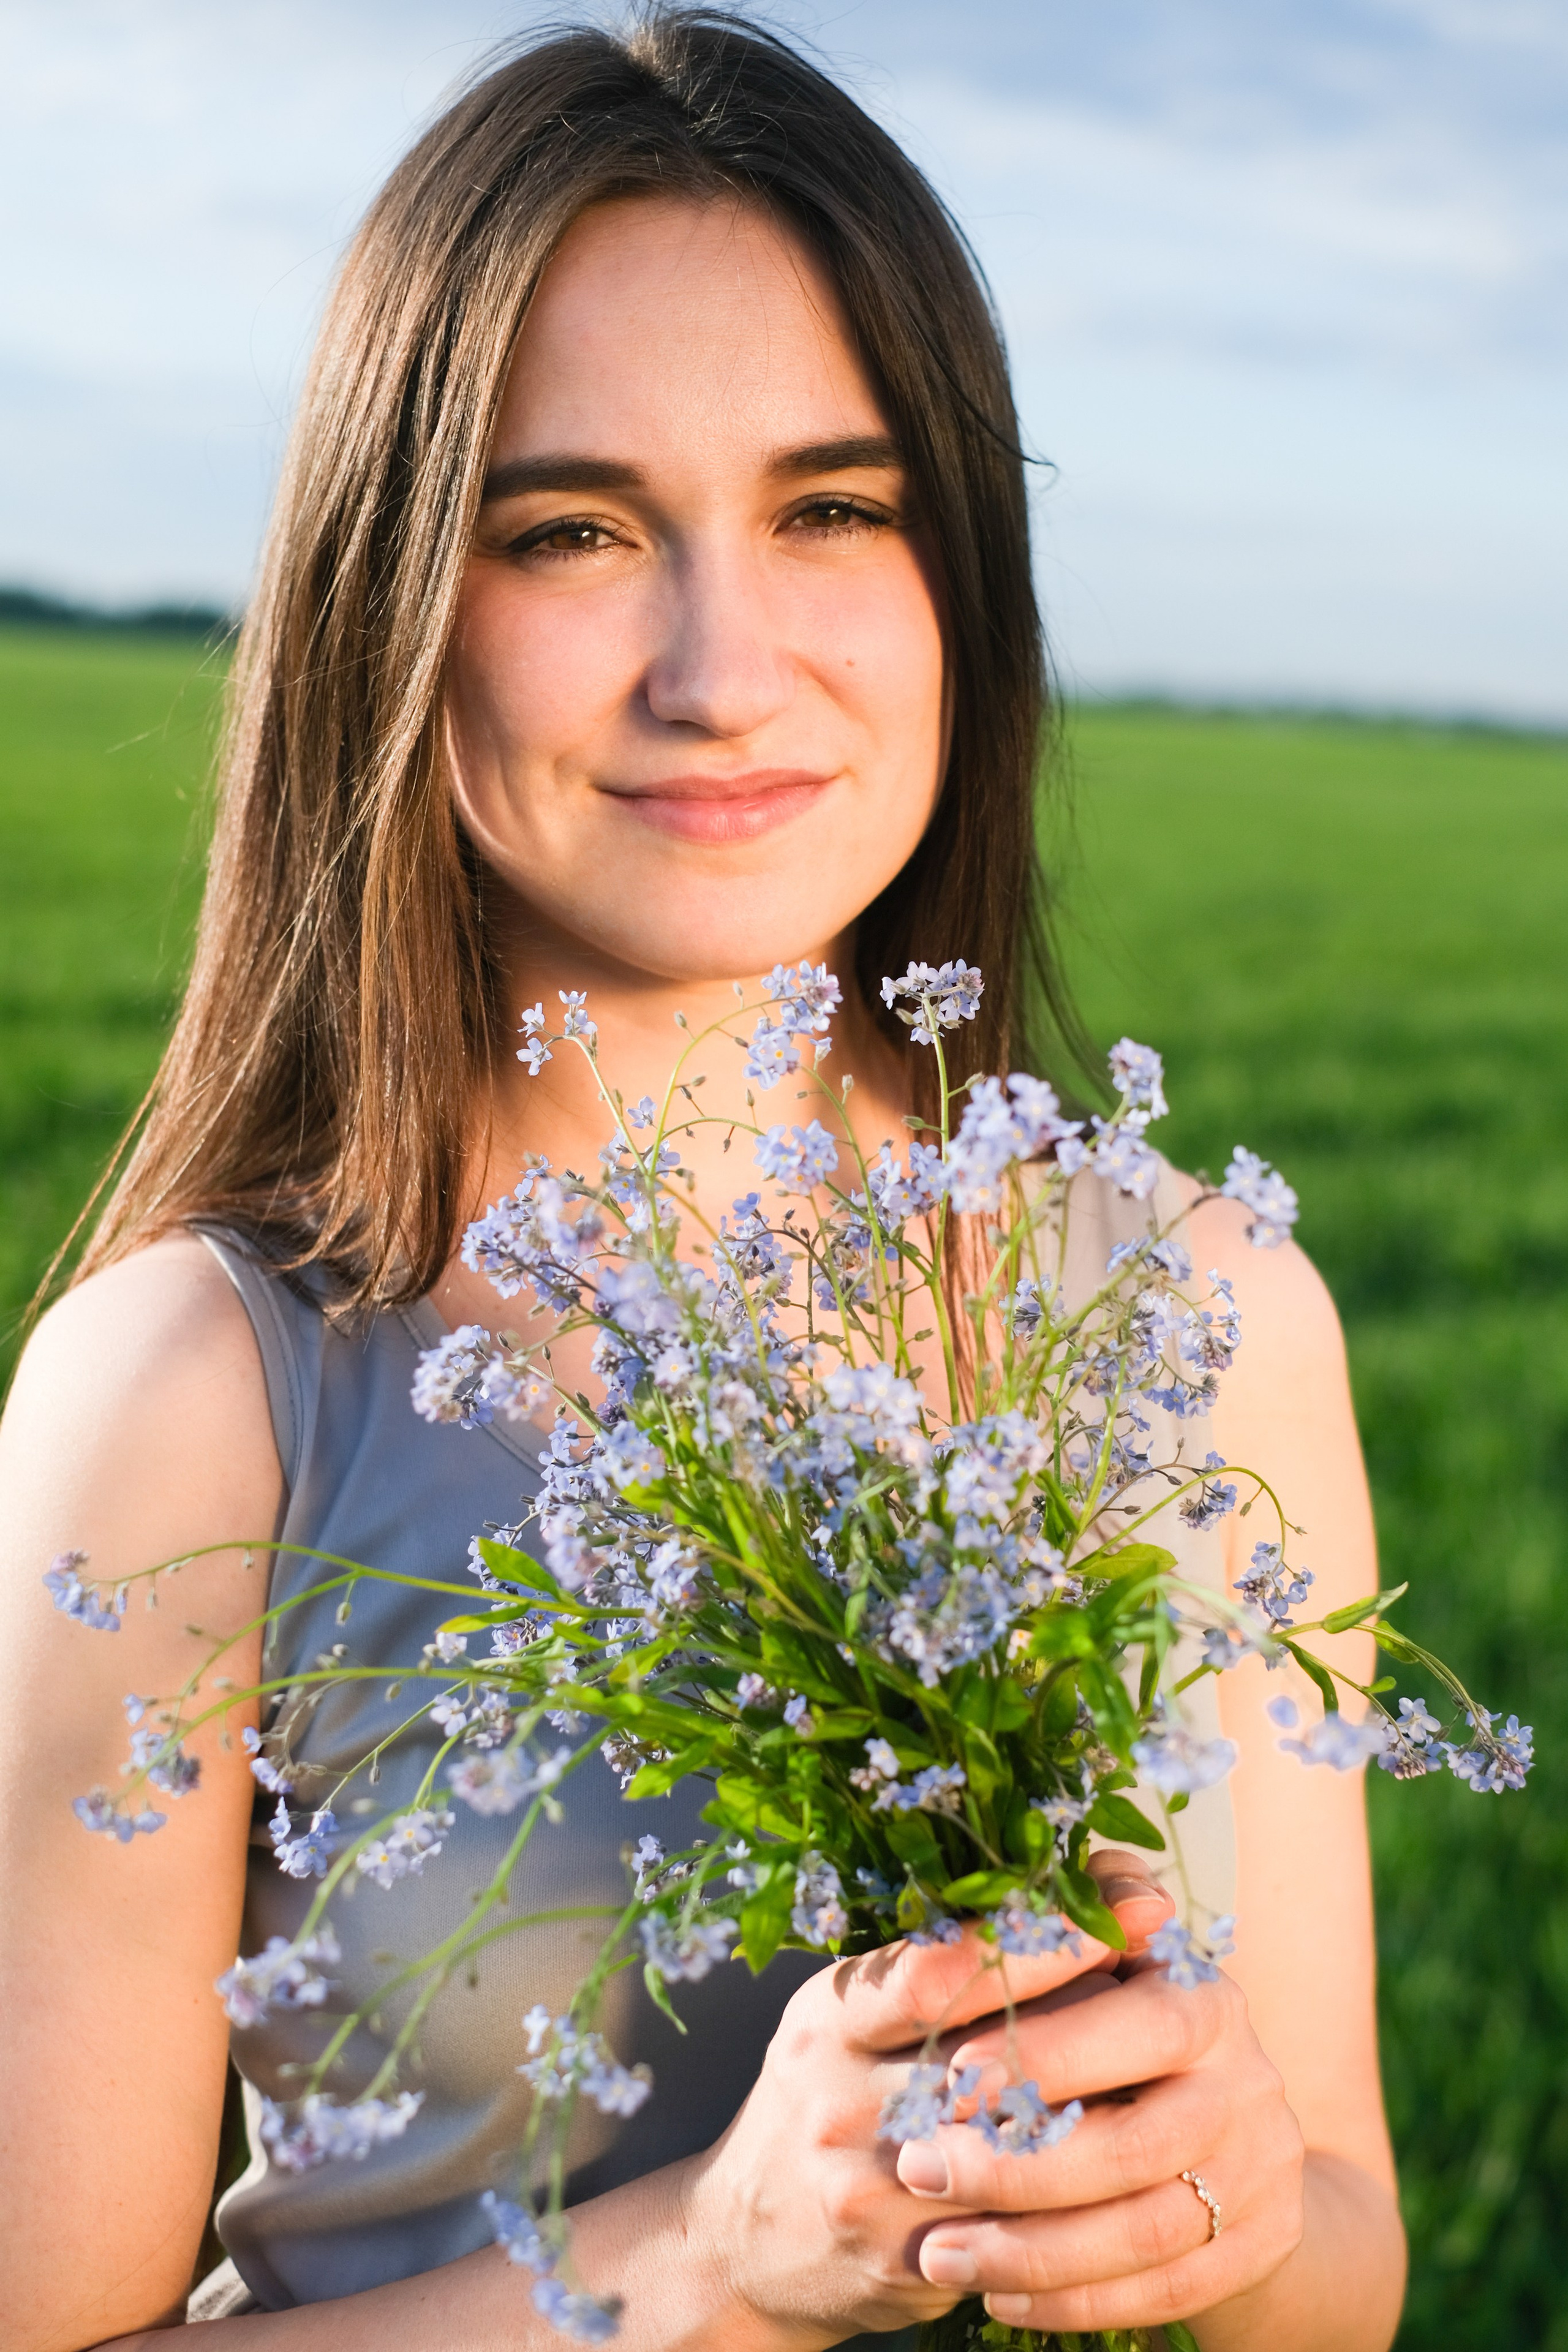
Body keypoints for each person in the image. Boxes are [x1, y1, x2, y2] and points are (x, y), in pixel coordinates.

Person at [0, 13, 1406, 2350]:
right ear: (390, 611)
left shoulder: (1208, 1309)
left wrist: (1227, 2198)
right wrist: (722, 2270)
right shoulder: (193, 1399)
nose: (722, 668)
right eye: (571, 531)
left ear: (963, 576)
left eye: (834, 509)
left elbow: (1345, 2255)